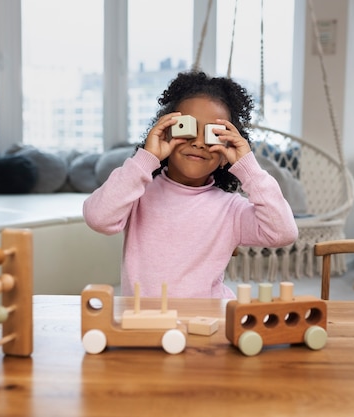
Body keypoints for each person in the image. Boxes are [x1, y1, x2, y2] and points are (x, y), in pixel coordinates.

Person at [83, 70, 298, 298]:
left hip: (209, 320)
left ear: (226, 153)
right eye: (187, 129)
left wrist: (248, 167)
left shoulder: (231, 209)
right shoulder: (137, 193)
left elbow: (283, 232)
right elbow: (98, 218)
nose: (198, 142)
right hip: (145, 321)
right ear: (165, 133)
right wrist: (147, 157)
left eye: (213, 134)